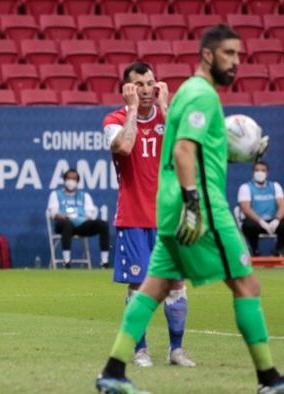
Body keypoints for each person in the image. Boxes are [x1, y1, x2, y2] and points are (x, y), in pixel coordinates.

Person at [96, 24, 282, 394]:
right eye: (229, 54)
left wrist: (234, 152)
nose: (237, 63)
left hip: (165, 209)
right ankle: (270, 379)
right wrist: (194, 203)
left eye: (240, 55)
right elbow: (182, 151)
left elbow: (192, 147)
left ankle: (113, 371)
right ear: (208, 55)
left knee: (153, 287)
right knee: (247, 284)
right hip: (201, 207)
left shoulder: (180, 96)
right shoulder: (201, 95)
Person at [102, 62, 195, 368]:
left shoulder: (169, 117)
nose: (145, 90)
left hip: (169, 218)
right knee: (139, 285)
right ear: (127, 88)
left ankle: (176, 350)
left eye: (150, 83)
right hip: (133, 217)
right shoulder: (113, 120)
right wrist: (131, 111)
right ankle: (141, 350)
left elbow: (183, 150)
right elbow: (125, 147)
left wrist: (166, 107)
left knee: (176, 285)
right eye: (138, 84)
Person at [47, 169, 110, 268]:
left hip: (81, 225)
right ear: (64, 180)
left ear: (77, 181)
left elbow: (90, 214)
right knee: (67, 224)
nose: (71, 181)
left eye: (74, 179)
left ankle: (104, 261)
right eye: (69, 178)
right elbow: (53, 213)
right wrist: (65, 217)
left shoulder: (85, 196)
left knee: (103, 224)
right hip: (63, 224)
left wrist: (84, 218)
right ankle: (67, 261)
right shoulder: (56, 194)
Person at [237, 160, 284, 256]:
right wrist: (261, 222)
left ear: (267, 173)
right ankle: (255, 251)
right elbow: (245, 208)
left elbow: (282, 205)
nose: (260, 173)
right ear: (253, 173)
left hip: (272, 221)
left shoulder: (275, 186)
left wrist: (277, 220)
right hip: (256, 222)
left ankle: (277, 251)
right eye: (257, 170)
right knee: (248, 225)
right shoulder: (246, 187)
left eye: (263, 170)